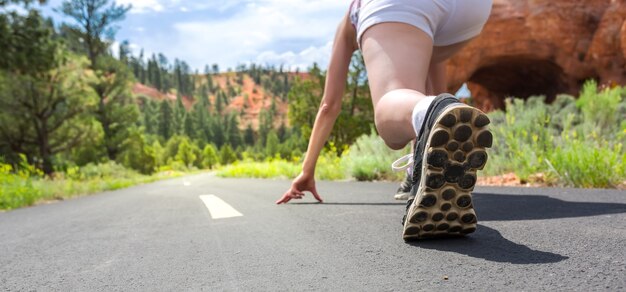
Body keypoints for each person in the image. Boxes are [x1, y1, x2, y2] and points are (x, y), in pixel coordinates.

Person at [276, 0, 494, 240]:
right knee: (432, 109)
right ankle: (417, 170)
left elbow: (329, 106)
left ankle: (421, 132)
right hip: (473, 10)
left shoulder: (349, 17)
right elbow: (440, 98)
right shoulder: (417, 29)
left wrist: (306, 172)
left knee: (392, 106)